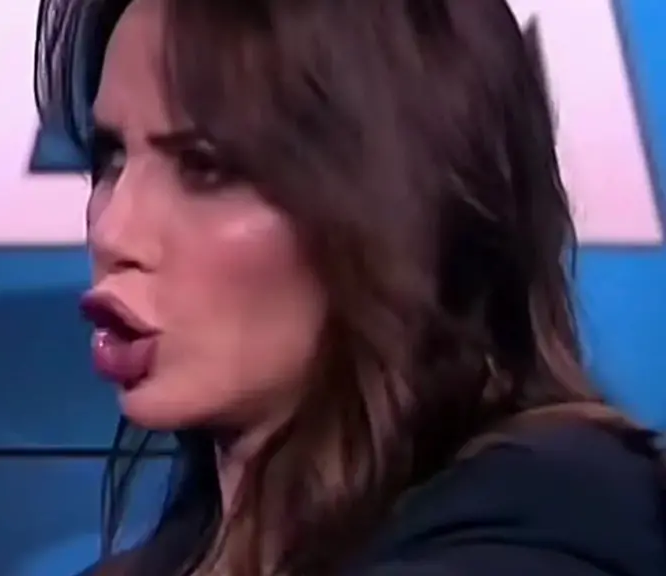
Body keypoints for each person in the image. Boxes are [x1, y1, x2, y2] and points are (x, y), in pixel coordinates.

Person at [34, 0, 666, 574]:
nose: (112, 230)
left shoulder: (549, 521)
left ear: (404, 207)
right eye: (112, 157)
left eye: (204, 166)